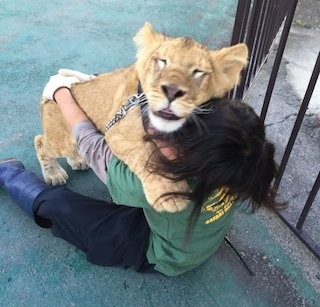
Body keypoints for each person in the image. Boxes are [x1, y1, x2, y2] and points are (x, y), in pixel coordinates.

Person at [0, 71, 280, 277]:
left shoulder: (158, 183)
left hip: (163, 255)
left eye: (163, 135)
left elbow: (92, 145)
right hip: (199, 237)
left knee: (60, 206)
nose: (152, 130)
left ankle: (9, 173)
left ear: (184, 158)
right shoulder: (238, 160)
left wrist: (60, 91)